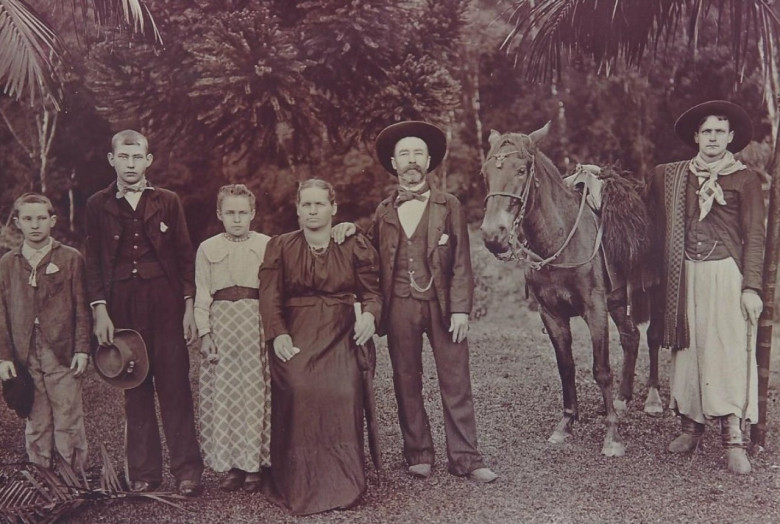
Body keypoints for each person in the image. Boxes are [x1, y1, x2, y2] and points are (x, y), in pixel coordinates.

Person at [370, 121, 496, 483]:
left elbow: (461, 262)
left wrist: (460, 309)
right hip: (399, 306)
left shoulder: (449, 205)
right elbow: (367, 255)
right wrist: (344, 230)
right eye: (404, 154)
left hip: (442, 306)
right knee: (406, 378)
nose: (411, 161)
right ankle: (418, 453)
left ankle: (466, 458)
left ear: (429, 161)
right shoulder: (382, 211)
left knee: (456, 378)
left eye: (418, 154)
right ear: (394, 163)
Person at [646, 100, 764, 474]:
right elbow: (643, 211)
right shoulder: (673, 176)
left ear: (731, 138)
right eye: (706, 131)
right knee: (689, 348)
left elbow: (756, 238)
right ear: (696, 137)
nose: (712, 138)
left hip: (725, 275)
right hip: (685, 275)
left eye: (719, 132)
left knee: (727, 351)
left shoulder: (745, 179)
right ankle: (690, 426)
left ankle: (733, 439)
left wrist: (752, 288)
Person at [85, 130, 204, 495]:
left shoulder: (167, 201)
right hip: (121, 306)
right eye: (124, 157)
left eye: (138, 158)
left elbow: (185, 257)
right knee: (133, 386)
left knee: (175, 385)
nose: (131, 164)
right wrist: (100, 311)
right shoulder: (97, 204)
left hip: (166, 304)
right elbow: (93, 263)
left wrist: (188, 307)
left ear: (149, 160)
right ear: (112, 160)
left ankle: (187, 471)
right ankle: (145, 473)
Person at [259, 178, 381, 515]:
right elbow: (270, 298)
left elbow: (373, 292)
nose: (313, 211)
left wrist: (370, 315)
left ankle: (344, 479)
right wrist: (278, 334)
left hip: (341, 332)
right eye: (307, 205)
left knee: (341, 389)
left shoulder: (353, 244)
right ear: (298, 209)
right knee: (299, 386)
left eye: (319, 204)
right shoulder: (280, 246)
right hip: (296, 332)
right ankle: (297, 477)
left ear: (333, 208)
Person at [0, 193, 89, 469]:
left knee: (67, 413)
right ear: (17, 223)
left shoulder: (71, 258)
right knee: (36, 418)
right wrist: (4, 357)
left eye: (41, 218)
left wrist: (82, 349)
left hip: (60, 349)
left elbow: (82, 308)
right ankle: (41, 476)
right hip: (24, 352)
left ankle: (73, 477)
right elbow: (0, 312)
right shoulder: (7, 263)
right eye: (28, 219)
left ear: (52, 220)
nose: (35, 225)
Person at [194, 184, 271, 492]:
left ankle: (254, 465)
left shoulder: (267, 245)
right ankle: (232, 467)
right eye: (230, 213)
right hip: (223, 325)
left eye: (242, 213)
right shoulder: (207, 248)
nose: (237, 219)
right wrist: (205, 333)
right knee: (227, 395)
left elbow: (274, 291)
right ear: (219, 214)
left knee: (254, 394)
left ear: (252, 213)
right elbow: (202, 294)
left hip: (254, 325)